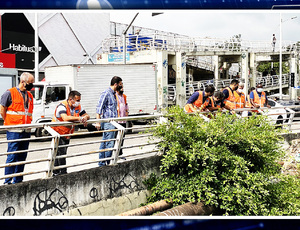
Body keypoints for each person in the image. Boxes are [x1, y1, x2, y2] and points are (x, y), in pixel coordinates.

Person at [0, 72, 35, 184]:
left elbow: (28, 112)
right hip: (14, 130)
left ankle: (18, 180)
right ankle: (8, 181)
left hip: (26, 130)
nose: (31, 85)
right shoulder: (9, 93)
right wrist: (9, 122)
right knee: (12, 155)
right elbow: (2, 109)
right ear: (22, 81)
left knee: (22, 156)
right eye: (30, 83)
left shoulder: (29, 95)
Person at [51, 90, 90, 176]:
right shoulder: (62, 106)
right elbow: (65, 118)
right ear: (70, 99)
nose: (78, 102)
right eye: (77, 100)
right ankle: (62, 172)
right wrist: (79, 118)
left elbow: (87, 115)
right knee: (61, 153)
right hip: (58, 132)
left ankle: (56, 172)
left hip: (67, 134)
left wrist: (85, 117)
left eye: (79, 100)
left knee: (60, 153)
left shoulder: (78, 107)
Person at [95, 76, 123, 167]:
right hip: (108, 123)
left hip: (113, 122)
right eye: (120, 84)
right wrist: (98, 122)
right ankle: (106, 163)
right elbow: (99, 108)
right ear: (115, 84)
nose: (121, 86)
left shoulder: (114, 94)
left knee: (105, 142)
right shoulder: (106, 93)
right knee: (109, 143)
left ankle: (102, 163)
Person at [116, 86, 129, 157]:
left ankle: (120, 153)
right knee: (116, 138)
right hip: (117, 120)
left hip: (123, 120)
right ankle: (115, 154)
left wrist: (127, 113)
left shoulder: (124, 96)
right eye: (121, 87)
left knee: (122, 138)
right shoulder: (115, 96)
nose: (122, 89)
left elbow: (126, 105)